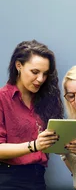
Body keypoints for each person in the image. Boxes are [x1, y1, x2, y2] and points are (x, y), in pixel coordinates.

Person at [0, 40, 67, 189]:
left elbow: (53, 144)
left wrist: (69, 145)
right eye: (35, 72)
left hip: (38, 178)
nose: (41, 79)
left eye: (45, 74)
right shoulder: (2, 99)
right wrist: (34, 145)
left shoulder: (45, 100)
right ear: (19, 66)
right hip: (9, 180)